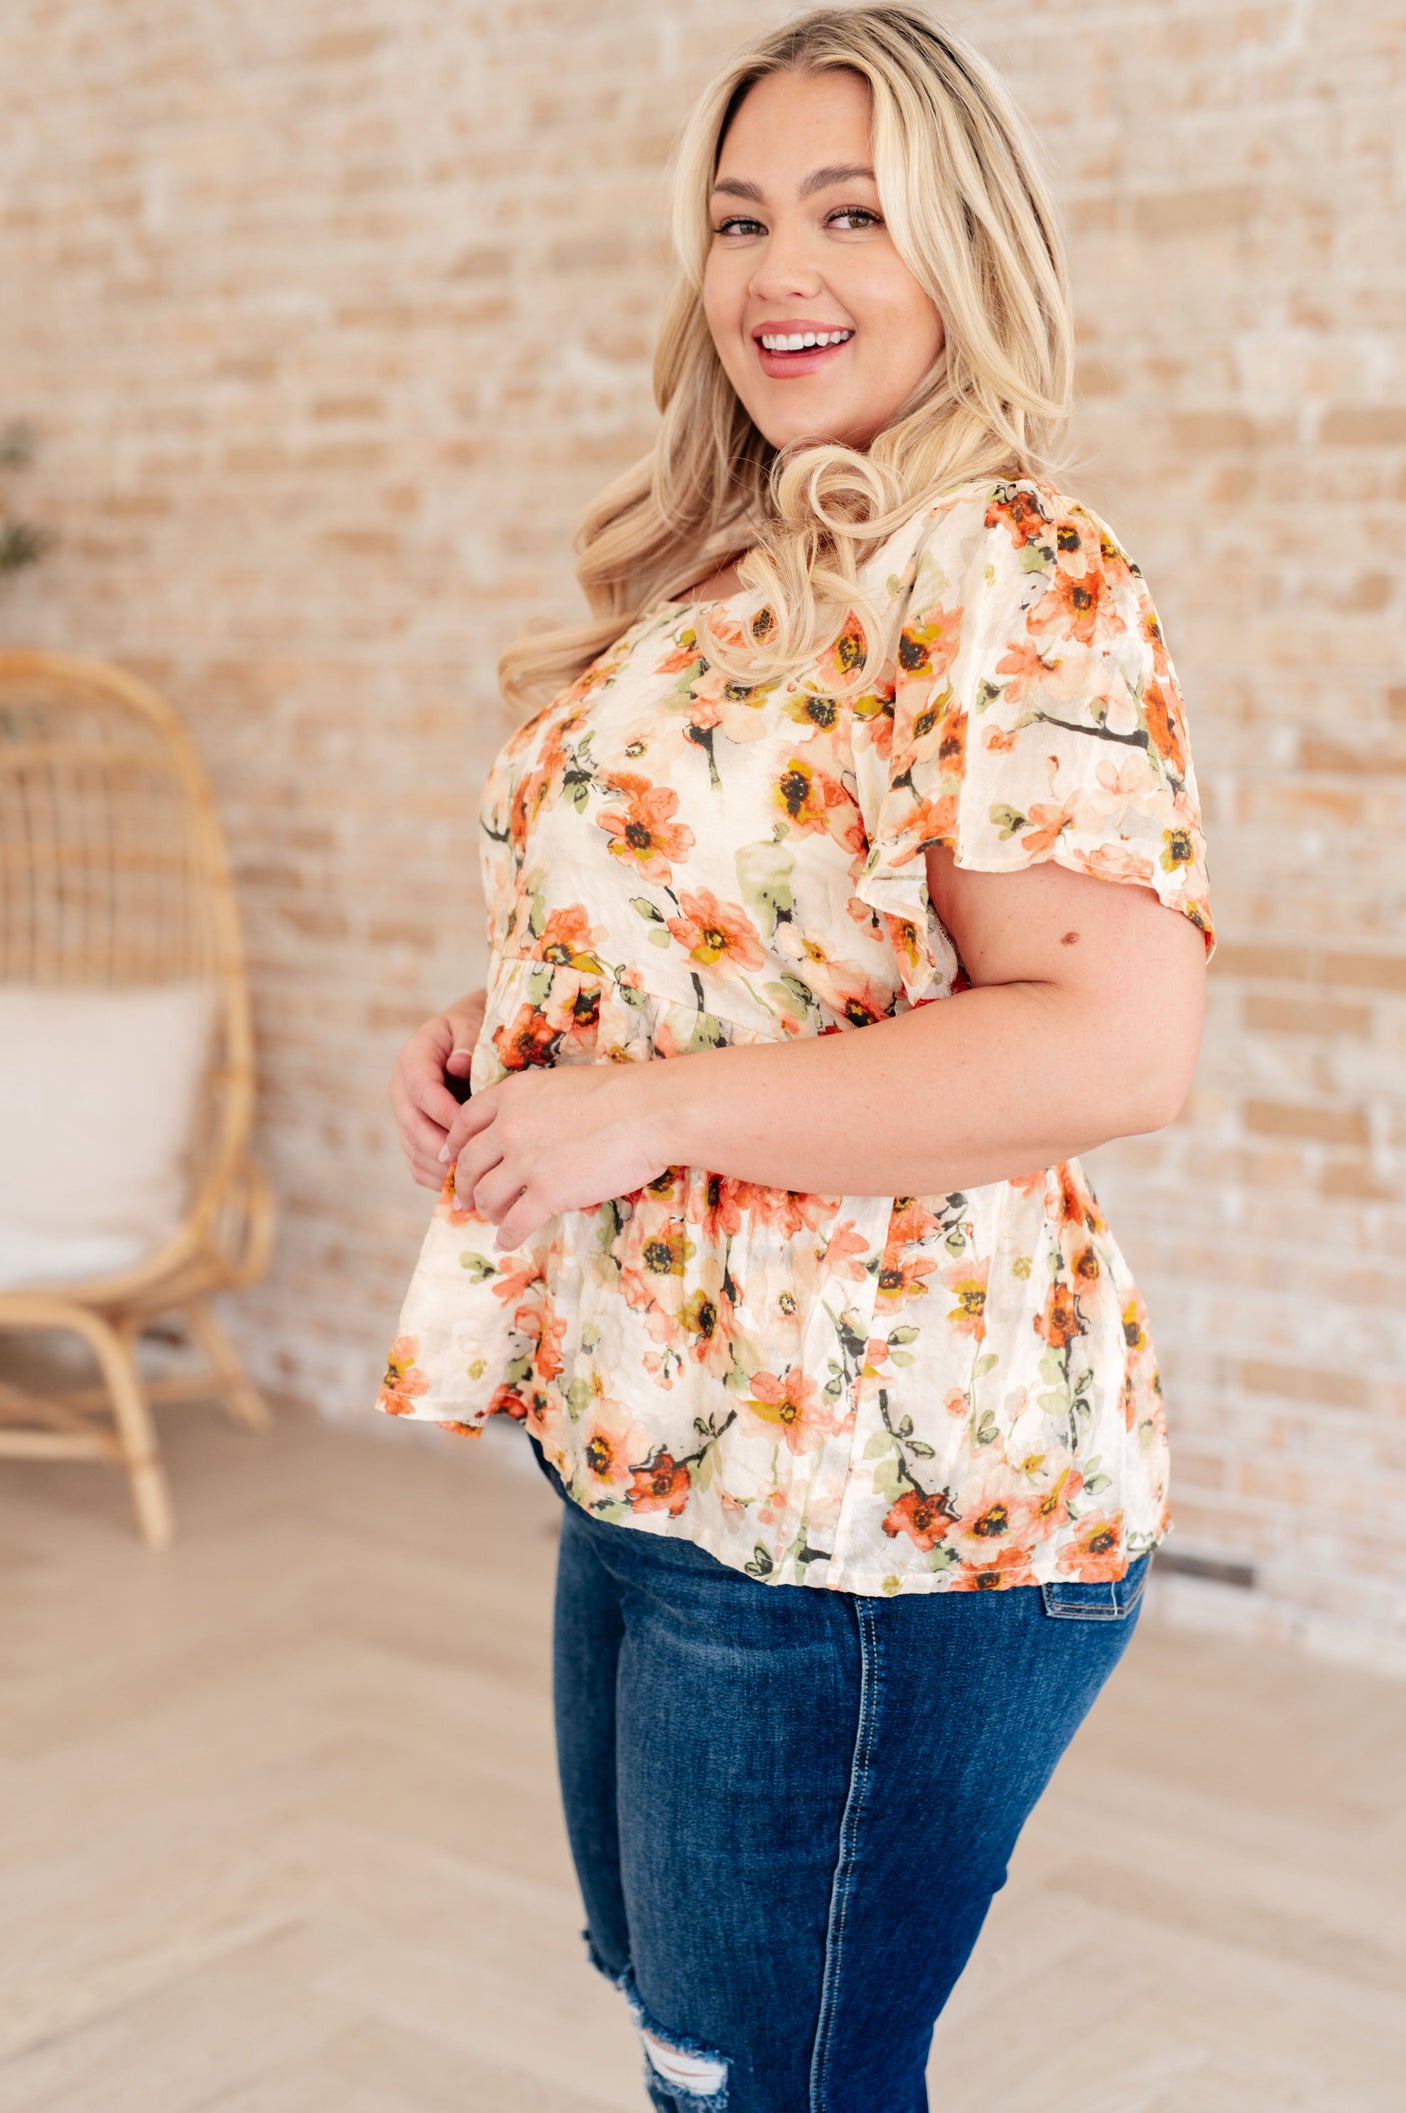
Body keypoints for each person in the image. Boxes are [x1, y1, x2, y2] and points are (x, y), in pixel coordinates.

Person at [381, 9, 1213, 2109]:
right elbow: (747, 930)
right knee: (696, 2028)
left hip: (869, 1499)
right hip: (661, 1434)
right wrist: (524, 1034)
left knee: (763, 2076)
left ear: (966, 243)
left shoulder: (1014, 568)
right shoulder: (736, 562)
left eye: (853, 213)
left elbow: (1111, 1036)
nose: (779, 272)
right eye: (741, 217)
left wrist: (638, 1108)